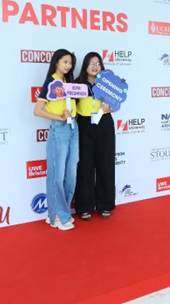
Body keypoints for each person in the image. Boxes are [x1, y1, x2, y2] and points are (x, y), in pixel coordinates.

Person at [33, 49, 78, 231]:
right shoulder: (50, 82)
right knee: (57, 175)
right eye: (65, 62)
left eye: (70, 63)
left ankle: (61, 212)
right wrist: (59, 117)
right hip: (59, 129)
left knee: (71, 174)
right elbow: (37, 110)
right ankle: (56, 216)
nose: (68, 66)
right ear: (57, 62)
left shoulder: (70, 83)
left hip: (73, 127)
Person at [74, 52, 116, 221]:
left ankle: (105, 204)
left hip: (104, 124)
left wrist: (110, 107)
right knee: (85, 166)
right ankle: (85, 207)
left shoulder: (107, 84)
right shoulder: (77, 84)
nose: (95, 66)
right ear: (85, 65)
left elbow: (116, 105)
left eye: (98, 63)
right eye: (91, 63)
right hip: (84, 125)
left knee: (106, 165)